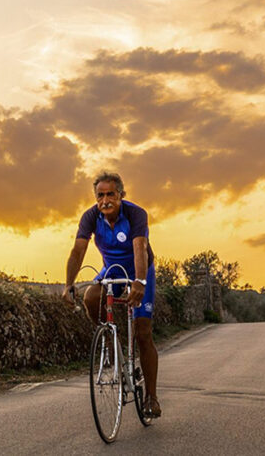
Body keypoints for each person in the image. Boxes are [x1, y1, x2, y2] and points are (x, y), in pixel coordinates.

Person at [64, 171, 161, 418]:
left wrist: (139, 282)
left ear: (121, 195)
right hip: (112, 269)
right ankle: (110, 337)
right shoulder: (90, 217)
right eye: (100, 195)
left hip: (140, 270)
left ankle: (151, 397)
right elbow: (78, 251)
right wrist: (68, 285)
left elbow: (139, 248)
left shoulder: (135, 214)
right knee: (90, 297)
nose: (105, 200)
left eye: (110, 194)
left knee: (143, 332)